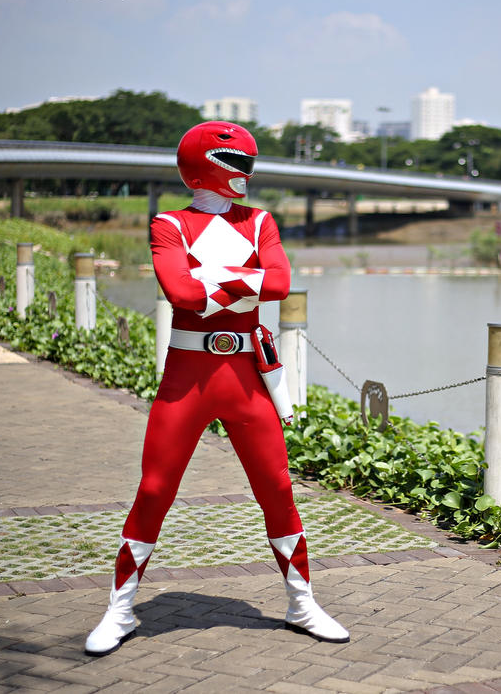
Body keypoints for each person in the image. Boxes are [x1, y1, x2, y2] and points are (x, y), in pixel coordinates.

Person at [84, 121, 349, 656]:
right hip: (187, 377)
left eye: (249, 164)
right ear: (203, 166)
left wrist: (211, 282)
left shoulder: (260, 221)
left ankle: (301, 604)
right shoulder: (169, 224)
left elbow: (280, 283)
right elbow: (179, 294)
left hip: (247, 376)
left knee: (277, 489)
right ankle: (120, 609)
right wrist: (246, 281)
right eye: (236, 164)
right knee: (154, 490)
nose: (245, 174)